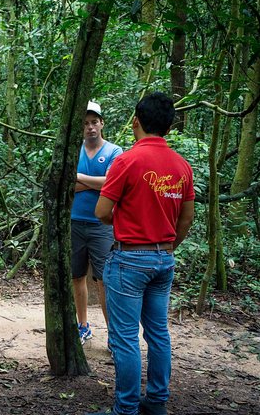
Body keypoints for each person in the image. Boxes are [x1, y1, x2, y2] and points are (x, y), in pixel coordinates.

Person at [90, 92, 195, 415]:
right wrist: (165, 248)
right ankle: (157, 402)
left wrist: (127, 222)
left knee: (124, 339)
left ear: (136, 120)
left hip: (130, 259)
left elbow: (102, 212)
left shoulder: (127, 161)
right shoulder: (181, 165)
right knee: (158, 333)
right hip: (164, 260)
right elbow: (186, 217)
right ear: (168, 125)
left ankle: (126, 408)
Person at [71, 101, 122, 345]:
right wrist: (98, 182)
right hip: (74, 222)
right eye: (85, 123)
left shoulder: (114, 151)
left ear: (102, 123)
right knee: (76, 275)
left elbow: (111, 183)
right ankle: (83, 326)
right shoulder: (74, 150)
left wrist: (79, 179)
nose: (90, 127)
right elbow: (66, 185)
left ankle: (113, 334)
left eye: (94, 122)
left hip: (102, 224)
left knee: (104, 279)